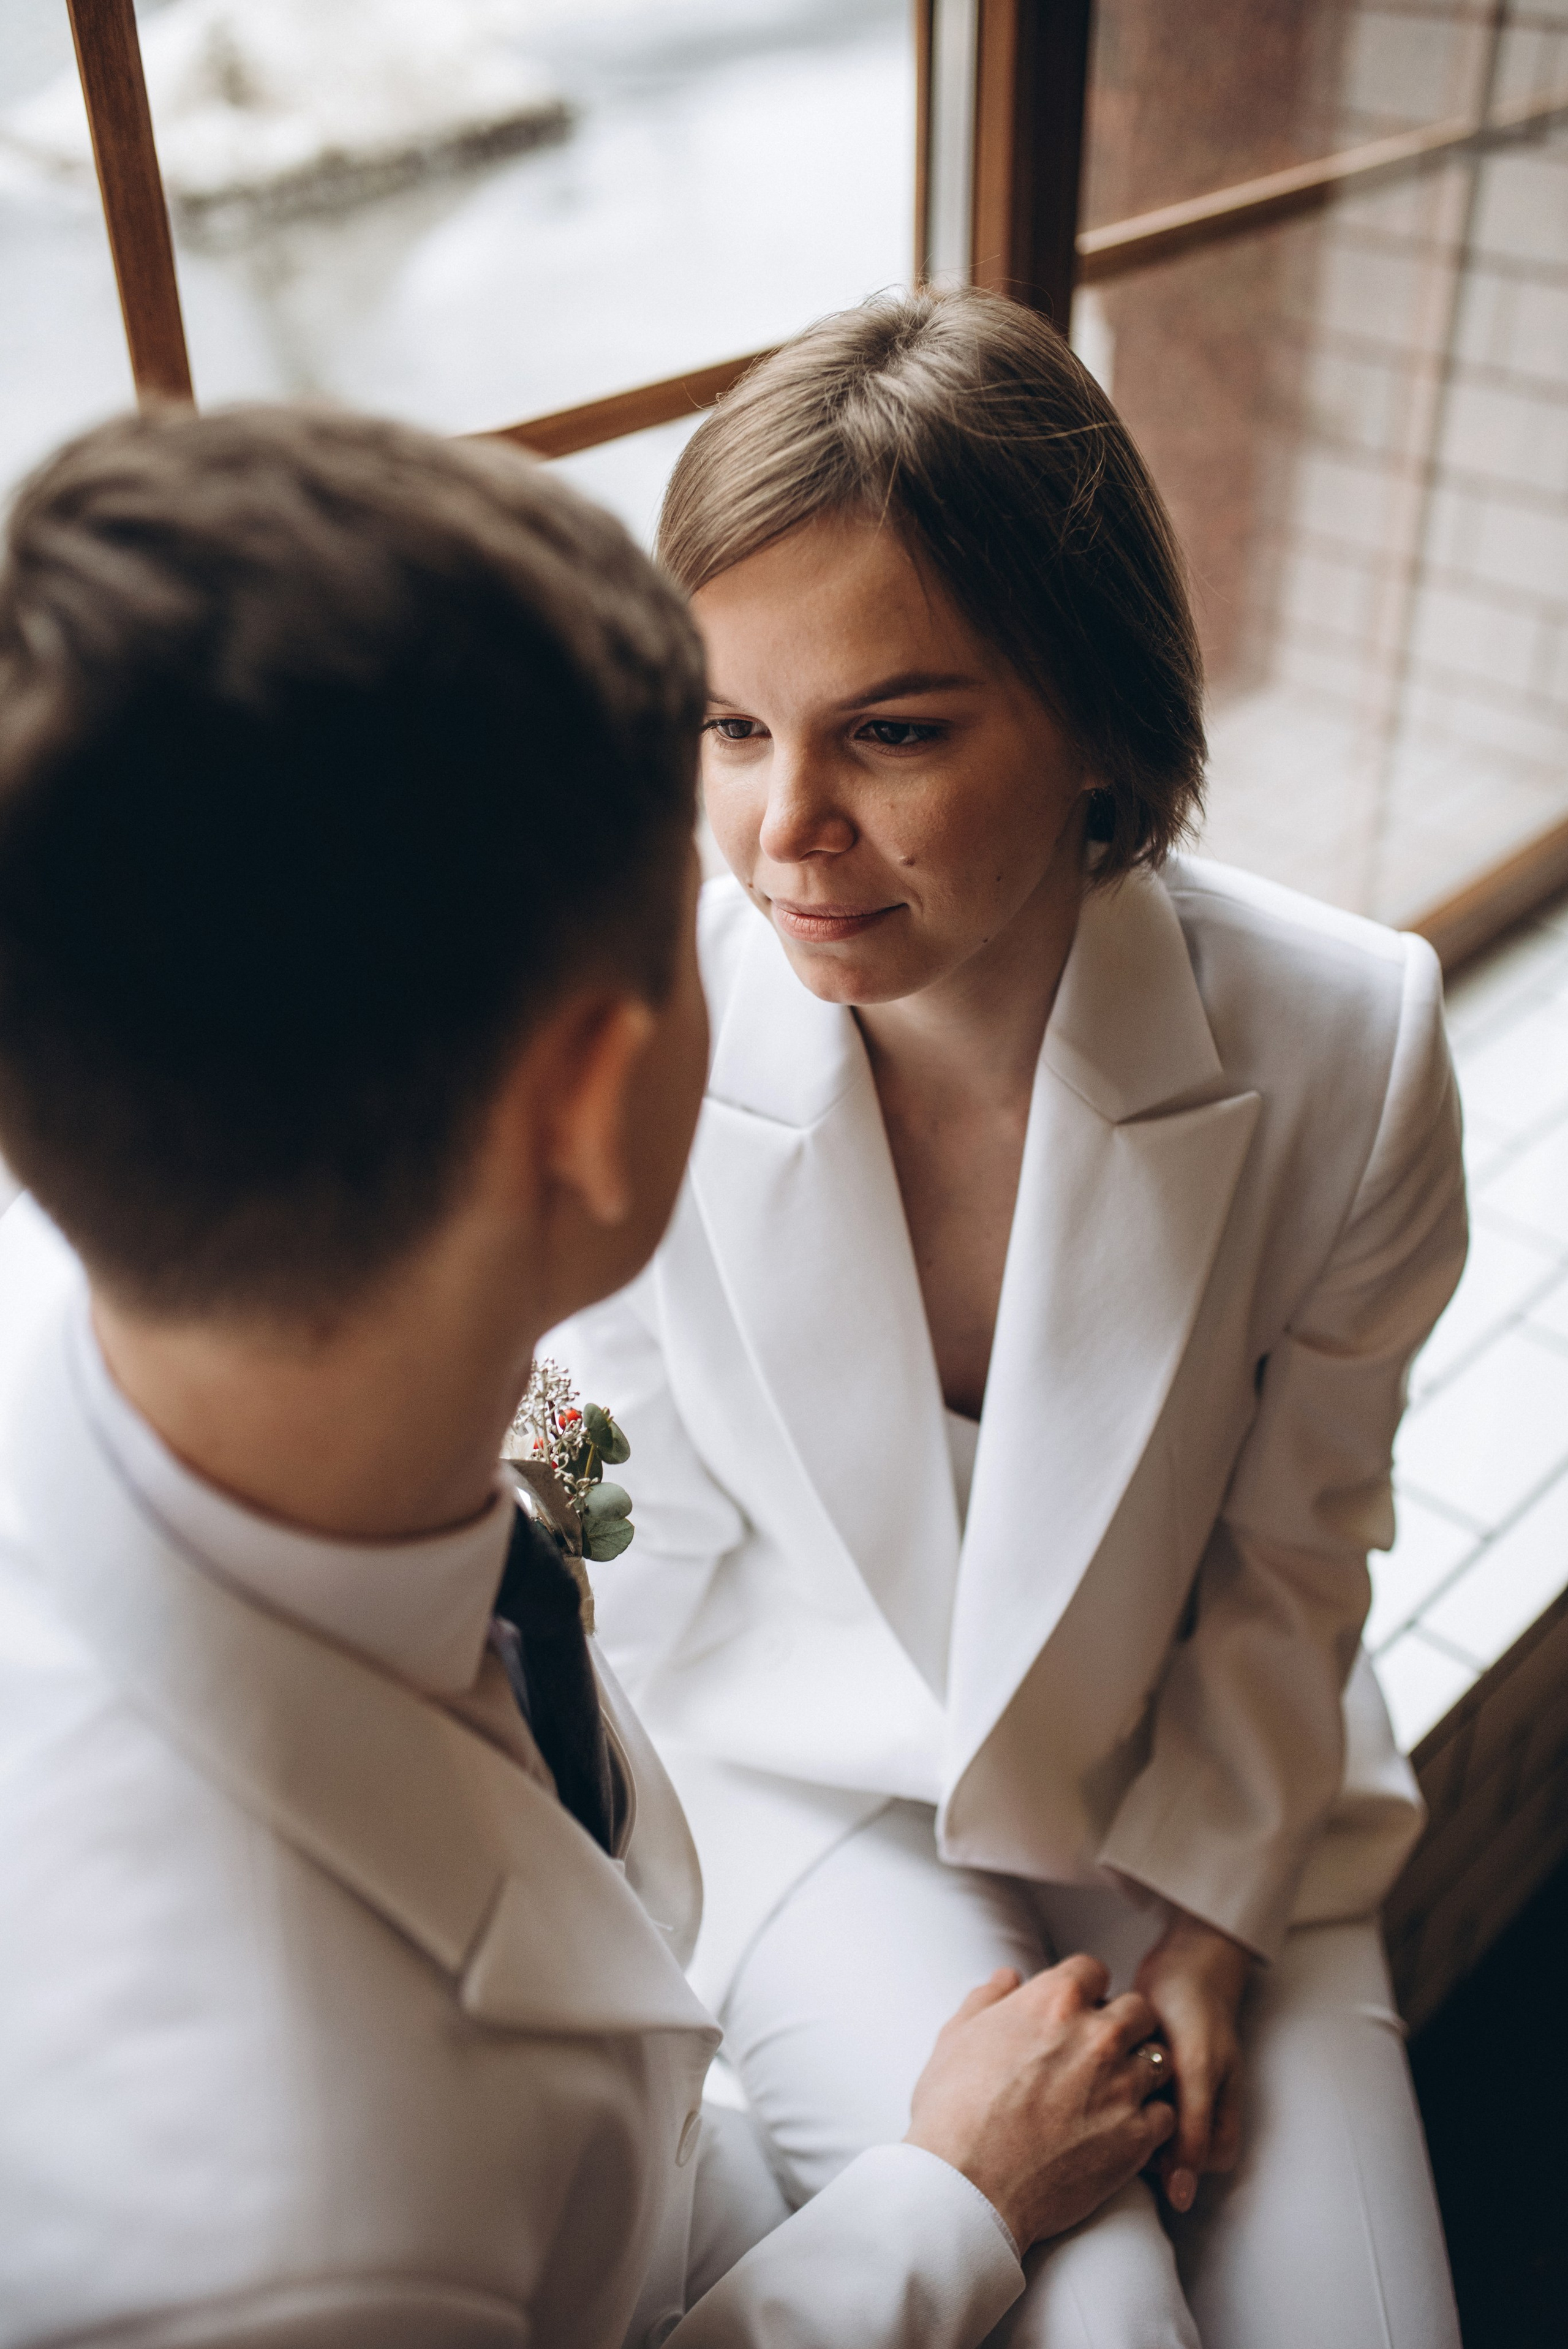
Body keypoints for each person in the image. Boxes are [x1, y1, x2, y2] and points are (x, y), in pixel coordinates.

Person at [0, 403, 1182, 2349]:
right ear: (585, 1092)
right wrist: (944, 2198)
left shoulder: (218, 1294)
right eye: (691, 929)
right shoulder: (296, 2230)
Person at [547, 289, 1468, 2349]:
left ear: (1101, 721)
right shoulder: (633, 1015)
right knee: (1098, 2314)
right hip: (818, 1781)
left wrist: (1216, 1921)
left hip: (1200, 1773)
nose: (787, 829)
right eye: (731, 727)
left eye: (891, 729)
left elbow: (1303, 1545)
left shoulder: (1355, 1042)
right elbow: (609, 1490)